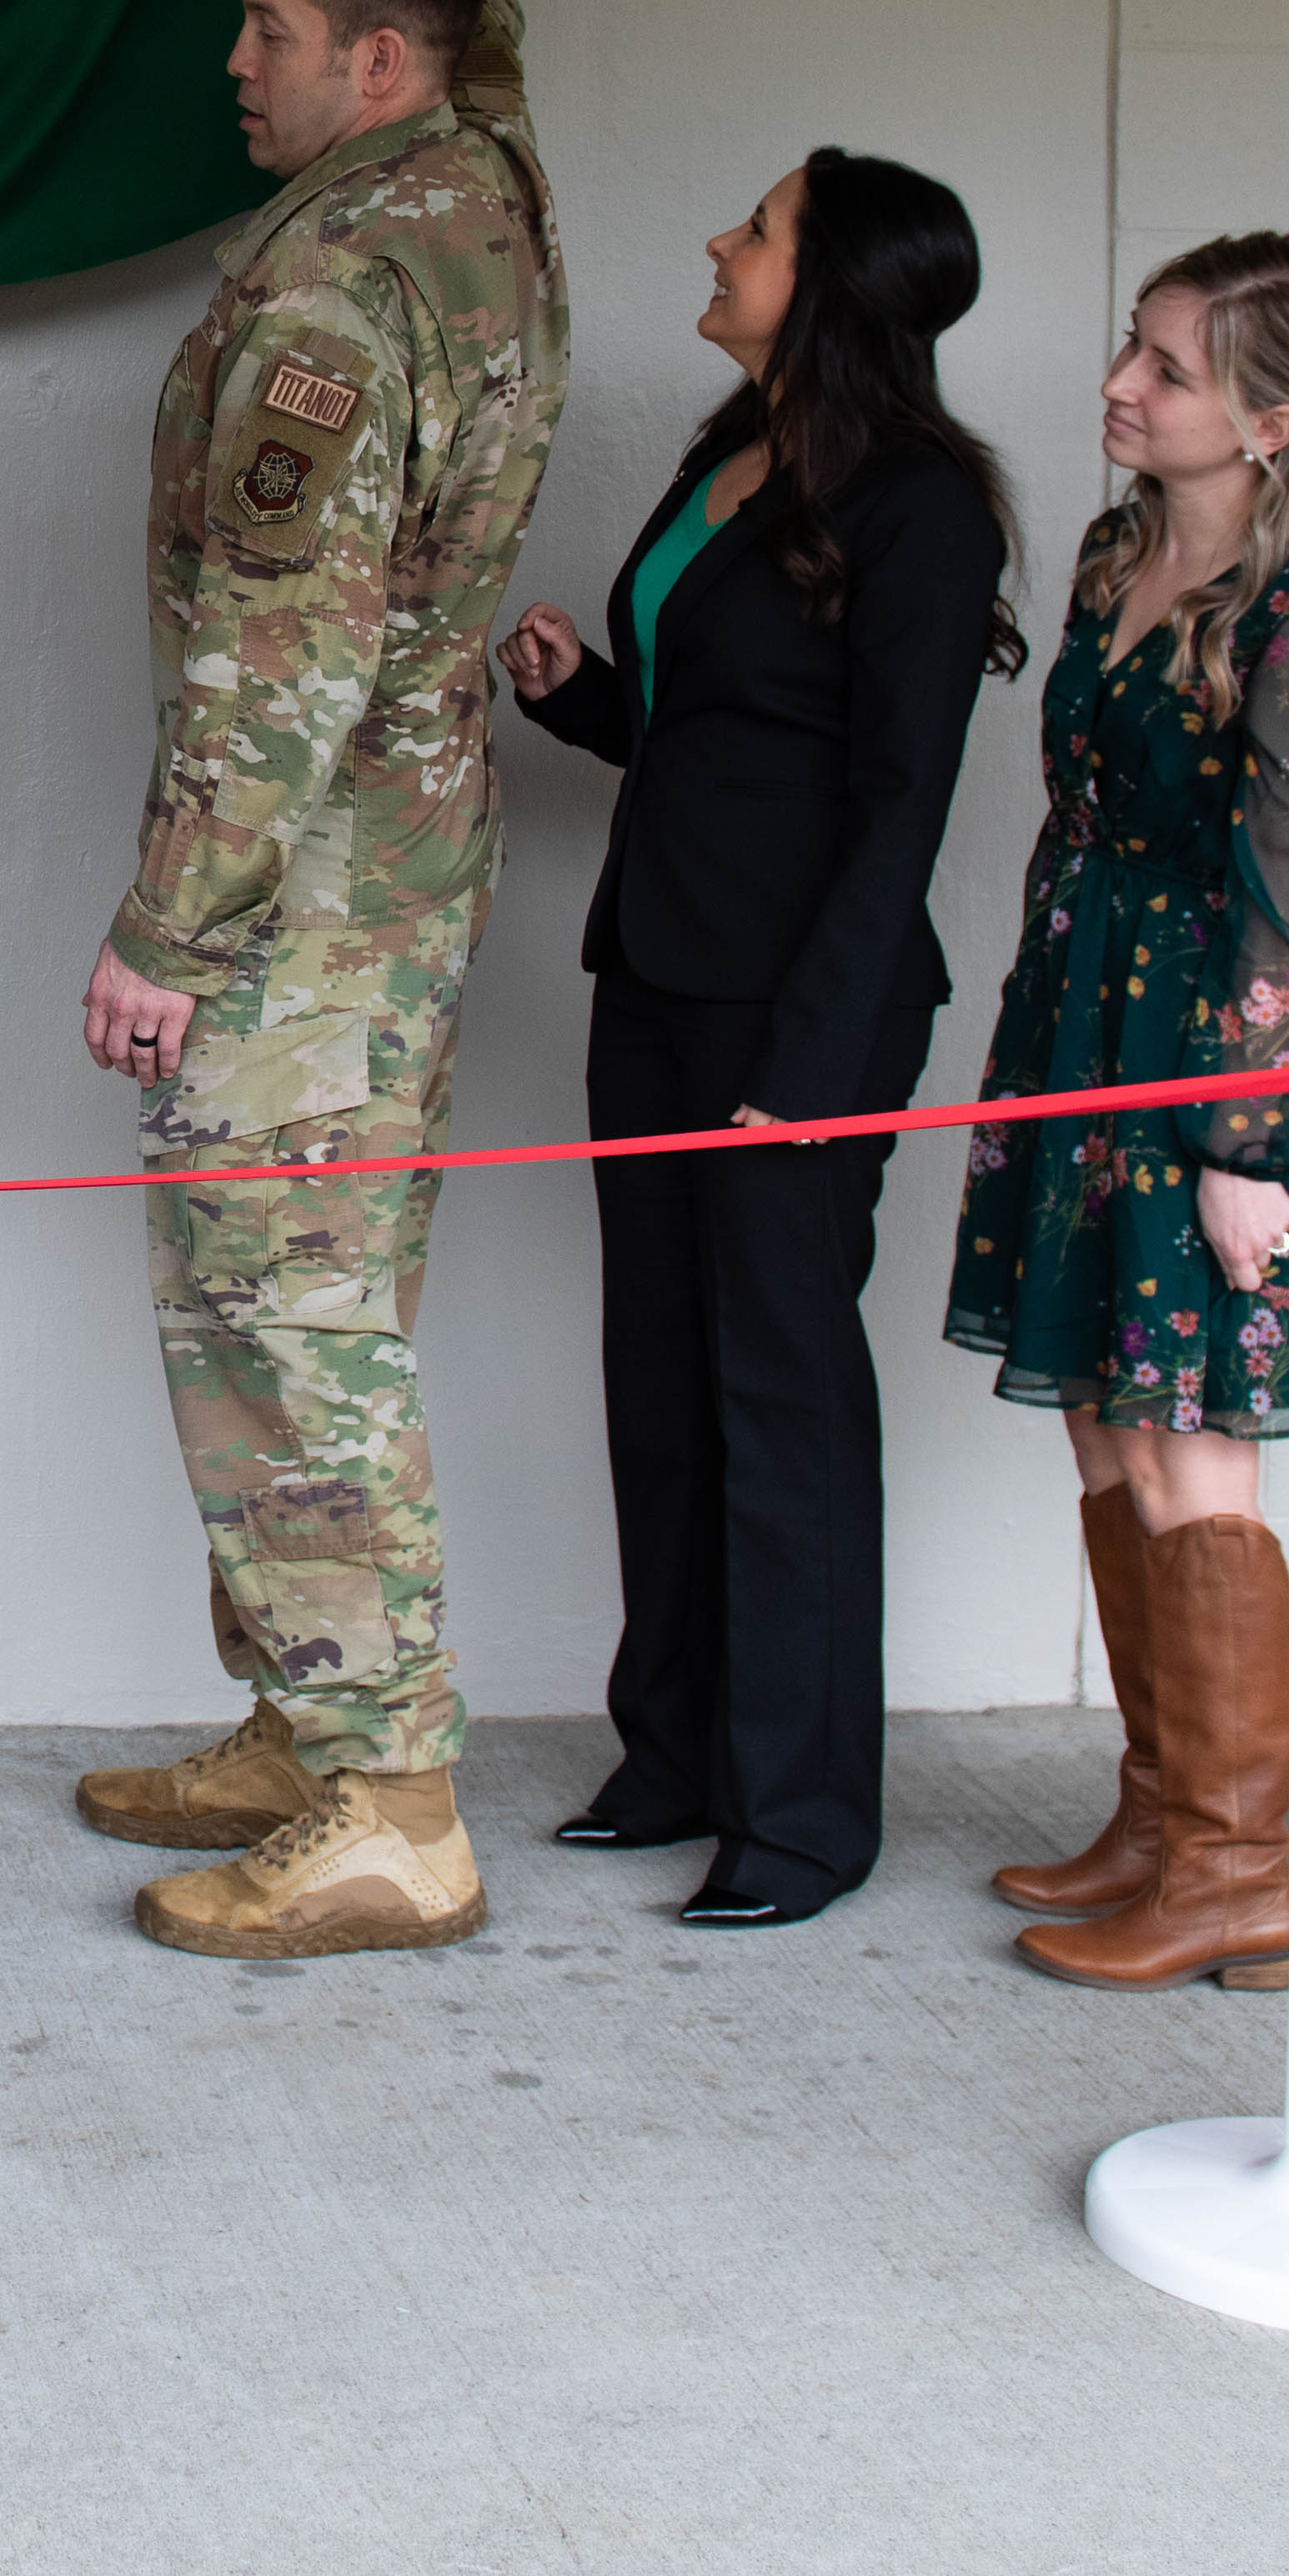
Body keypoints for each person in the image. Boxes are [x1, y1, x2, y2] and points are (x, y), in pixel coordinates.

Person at [68, 0, 566, 1962]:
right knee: (274, 1306)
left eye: (268, 32)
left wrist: (165, 938)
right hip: (397, 881)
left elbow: (274, 663)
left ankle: (391, 1801)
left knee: (292, 1326)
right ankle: (300, 1711)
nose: (232, 61)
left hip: (297, 917)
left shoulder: (330, 311)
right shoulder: (481, 168)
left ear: (370, 65)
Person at [499, 150, 1018, 1927]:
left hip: (800, 1013)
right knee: (657, 1373)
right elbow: (713, 733)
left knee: (776, 1395)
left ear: (841, 281)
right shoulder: (729, 451)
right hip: (650, 979)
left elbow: (896, 804)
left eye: (759, 227)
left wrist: (801, 1066)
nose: (719, 239)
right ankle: (675, 1753)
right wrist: (584, 695)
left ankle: (800, 1813)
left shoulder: (923, 506)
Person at [947, 233, 1289, 1992]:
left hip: (1204, 1043)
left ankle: (1243, 1863)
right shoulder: (1114, 549)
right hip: (1074, 1017)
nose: (1116, 386)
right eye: (1127, 350)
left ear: (1268, 416)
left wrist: (1237, 1144)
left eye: (1161, 365)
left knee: (1183, 1435)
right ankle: (1159, 1813)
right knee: (1095, 1421)